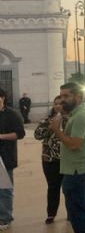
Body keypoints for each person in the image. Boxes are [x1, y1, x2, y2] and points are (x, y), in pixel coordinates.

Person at [51, 82, 85, 233]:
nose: (63, 100)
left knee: (76, 212)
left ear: (78, 96)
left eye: (66, 96)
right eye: (61, 96)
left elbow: (74, 144)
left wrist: (57, 131)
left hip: (76, 171)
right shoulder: (77, 113)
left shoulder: (81, 116)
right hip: (78, 169)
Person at [34, 96, 66, 225]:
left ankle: (71, 212)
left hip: (66, 159)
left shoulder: (70, 120)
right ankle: (51, 214)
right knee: (53, 187)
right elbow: (37, 135)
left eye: (61, 103)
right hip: (49, 159)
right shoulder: (46, 121)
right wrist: (50, 127)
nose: (58, 106)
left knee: (68, 187)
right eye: (56, 103)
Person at [0, 87, 25, 231]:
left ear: (3, 98)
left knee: (4, 189)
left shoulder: (12, 114)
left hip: (4, 157)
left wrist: (1, 136)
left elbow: (20, 133)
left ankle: (5, 217)